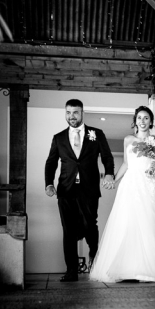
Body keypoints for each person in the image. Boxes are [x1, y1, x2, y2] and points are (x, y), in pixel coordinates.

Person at [89, 106, 155, 283]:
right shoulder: (128, 140)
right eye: (139, 118)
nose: (142, 121)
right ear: (135, 120)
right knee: (127, 221)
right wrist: (115, 181)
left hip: (149, 184)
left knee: (149, 222)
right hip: (131, 184)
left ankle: (149, 268)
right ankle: (125, 269)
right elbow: (126, 163)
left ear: (151, 121)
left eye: (146, 118)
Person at [45, 99, 115, 282]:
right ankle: (71, 271)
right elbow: (51, 163)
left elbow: (107, 157)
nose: (71, 116)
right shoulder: (59, 137)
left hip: (89, 189)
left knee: (89, 225)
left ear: (82, 113)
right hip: (66, 190)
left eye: (75, 112)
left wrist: (109, 174)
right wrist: (49, 183)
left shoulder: (96, 134)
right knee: (68, 230)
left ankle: (94, 254)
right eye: (68, 112)